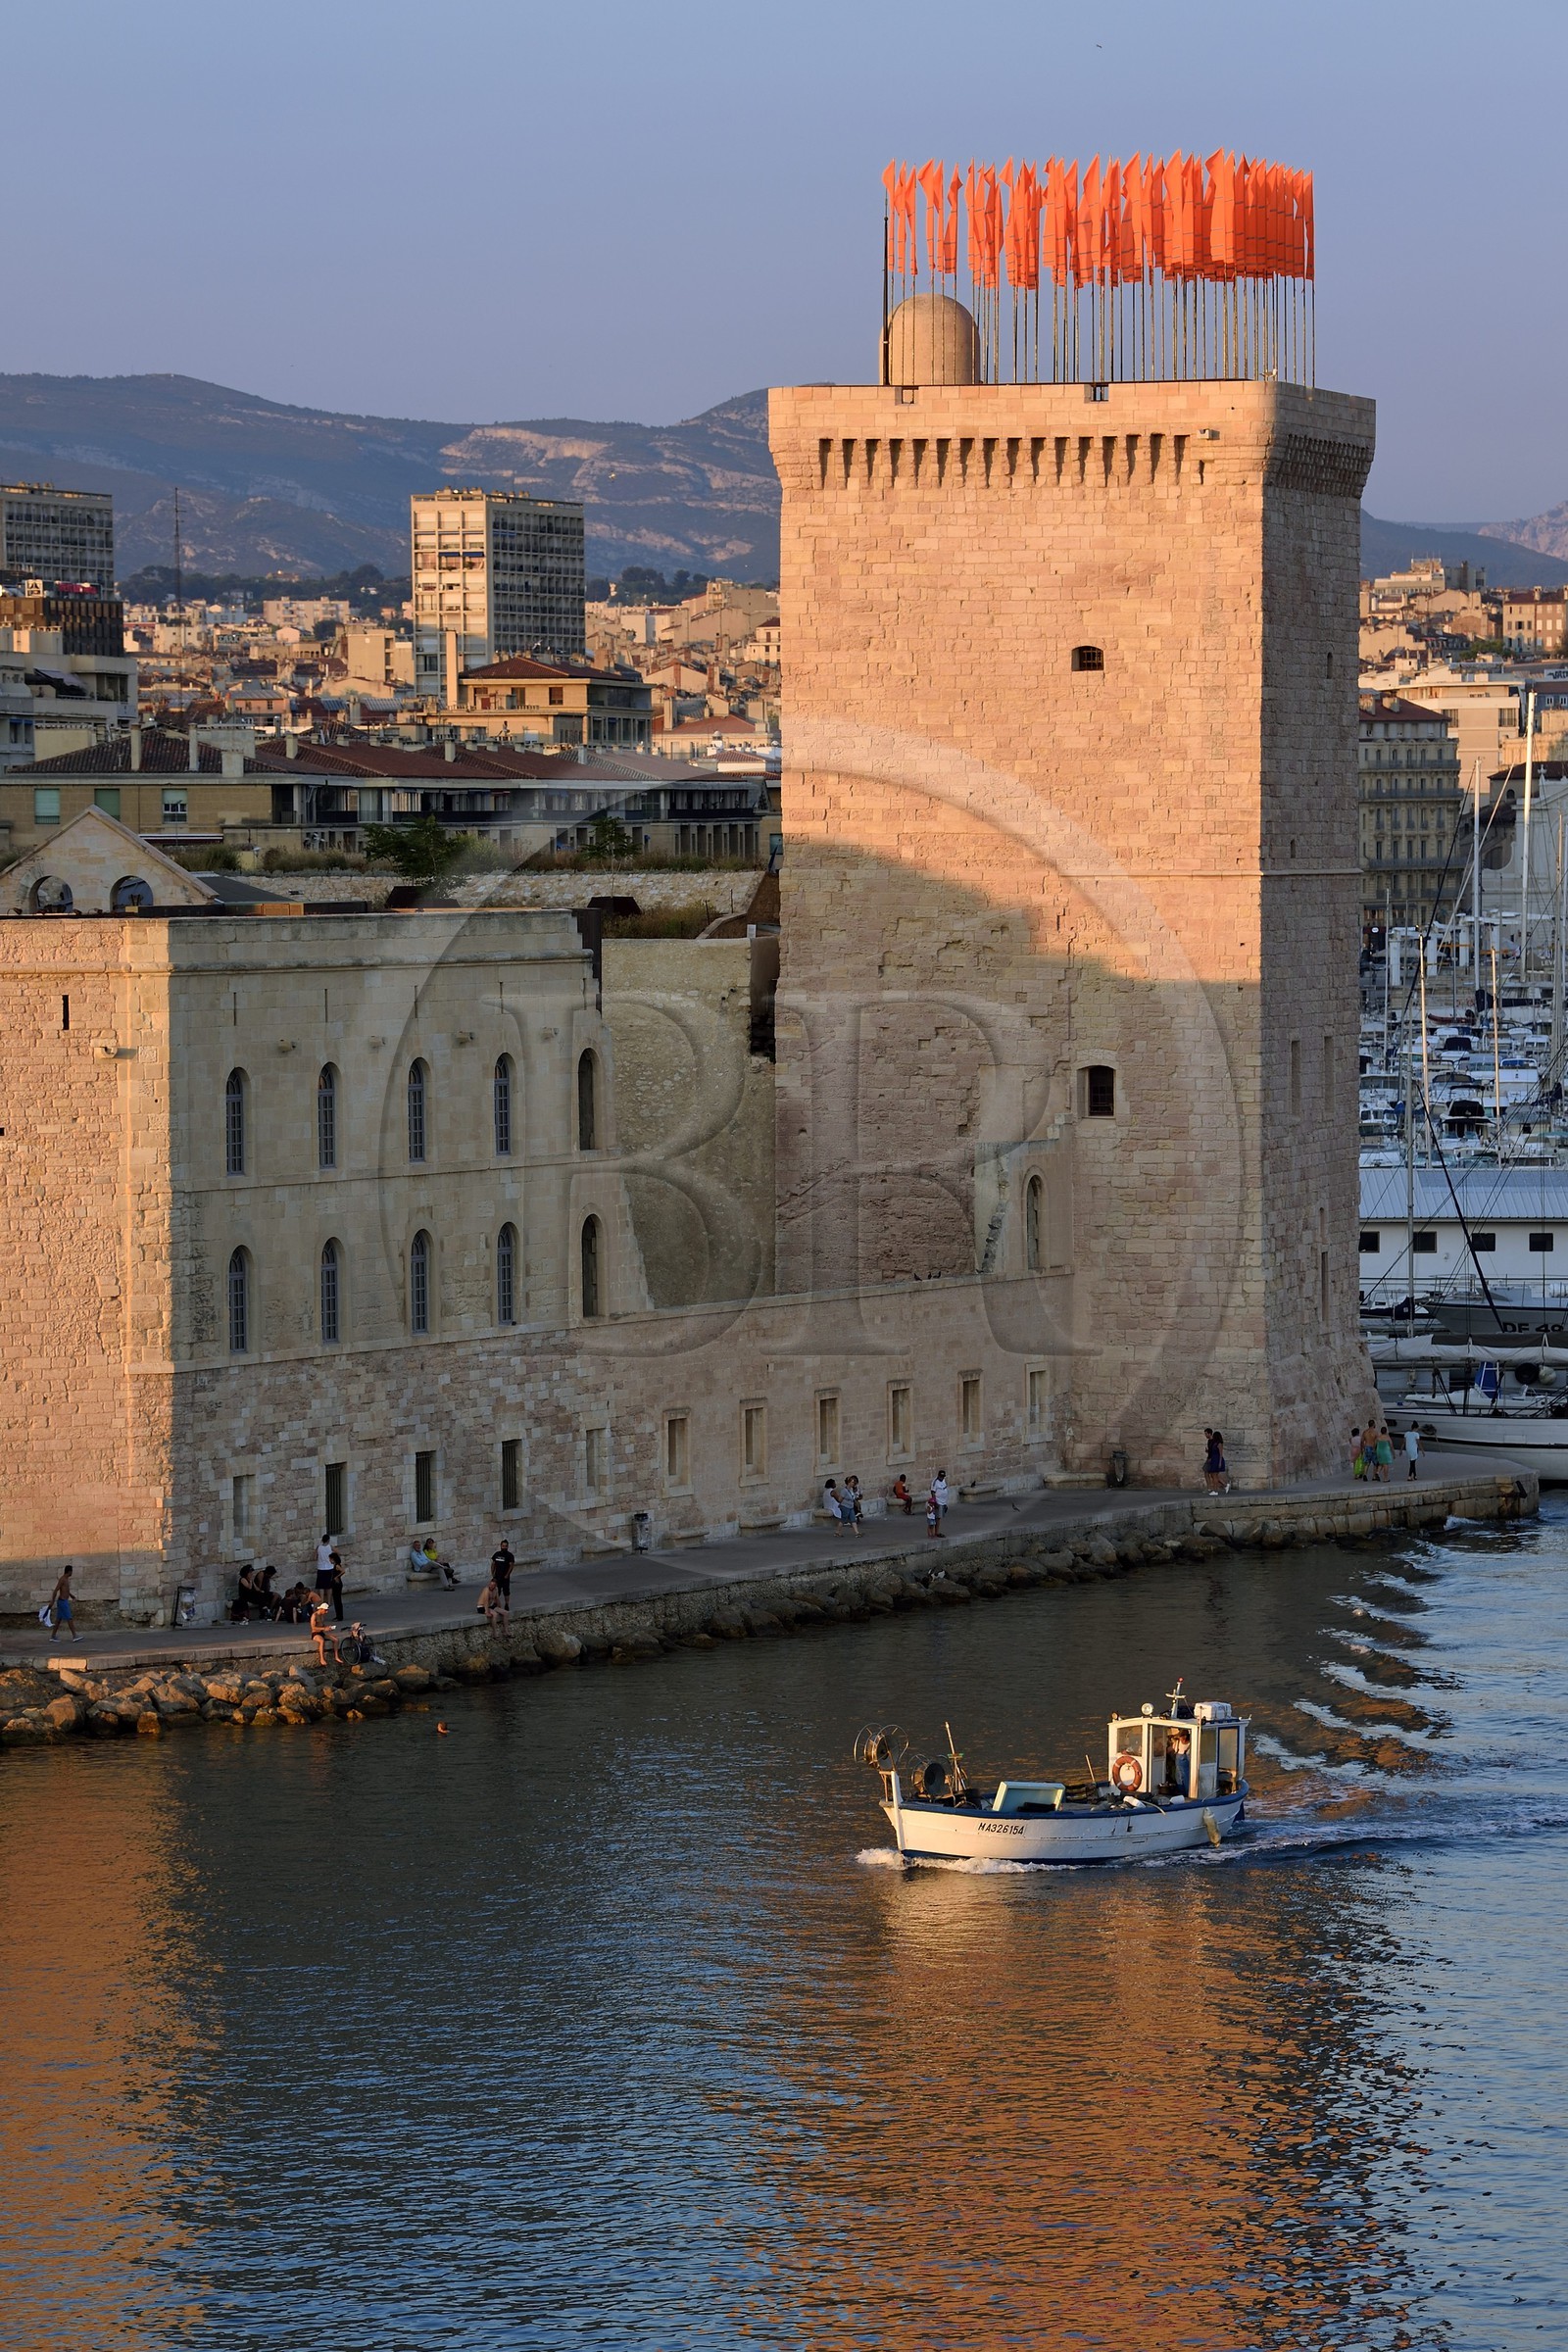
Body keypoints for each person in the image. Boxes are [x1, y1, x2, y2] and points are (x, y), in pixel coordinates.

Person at [310, 1593, 341, 1667]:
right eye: (325, 1610)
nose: (326, 1612)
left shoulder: (322, 1616)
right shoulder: (314, 1615)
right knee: (321, 1641)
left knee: (336, 1639)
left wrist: (328, 1628)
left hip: (322, 1633)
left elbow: (322, 1626)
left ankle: (336, 1656)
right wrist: (324, 1628)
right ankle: (322, 1658)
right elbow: (313, 1627)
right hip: (315, 1634)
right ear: (321, 1609)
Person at [45, 1565, 74, 1642]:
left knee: (58, 1620)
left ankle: (53, 1636)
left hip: (63, 1601)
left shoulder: (66, 1579)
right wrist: (52, 1601)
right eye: (71, 1571)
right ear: (69, 1571)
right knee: (69, 1618)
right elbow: (56, 1590)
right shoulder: (62, 1579)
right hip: (62, 1602)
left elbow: (66, 1590)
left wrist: (71, 1596)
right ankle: (75, 1635)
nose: (72, 1573)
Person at [490, 1540, 515, 1606]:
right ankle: (495, 1603)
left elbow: (511, 1565)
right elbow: (493, 1564)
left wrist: (507, 1574)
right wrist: (492, 1573)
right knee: (496, 1590)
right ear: (501, 1546)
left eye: (505, 1546)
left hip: (505, 1576)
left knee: (506, 1591)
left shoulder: (509, 1555)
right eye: (503, 1546)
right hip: (497, 1576)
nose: (504, 1547)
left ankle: (506, 1604)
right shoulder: (497, 1554)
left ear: (507, 1547)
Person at [315, 1534, 336, 1602]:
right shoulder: (330, 1547)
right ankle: (329, 1601)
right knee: (329, 1586)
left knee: (321, 1586)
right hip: (329, 1567)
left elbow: (315, 1557)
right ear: (328, 1540)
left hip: (321, 1568)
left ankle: (322, 1601)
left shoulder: (318, 1547)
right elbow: (338, 1552)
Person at [1202, 1428, 1225, 1494]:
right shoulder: (1212, 1442)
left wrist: (1219, 1463)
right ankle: (1215, 1488)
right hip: (1212, 1459)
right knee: (1212, 1474)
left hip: (1215, 1460)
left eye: (1206, 1433)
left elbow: (1220, 1454)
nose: (1205, 1435)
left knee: (1214, 1475)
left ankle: (1215, 1490)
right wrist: (1208, 1452)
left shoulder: (1218, 1443)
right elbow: (1212, 1451)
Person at [328, 1548, 345, 1624]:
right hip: (334, 1584)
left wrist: (336, 1577)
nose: (329, 1560)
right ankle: (338, 1615)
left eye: (330, 1559)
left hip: (337, 1584)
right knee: (336, 1600)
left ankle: (339, 1616)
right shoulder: (335, 1566)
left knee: (337, 1600)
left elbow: (343, 1571)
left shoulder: (337, 1566)